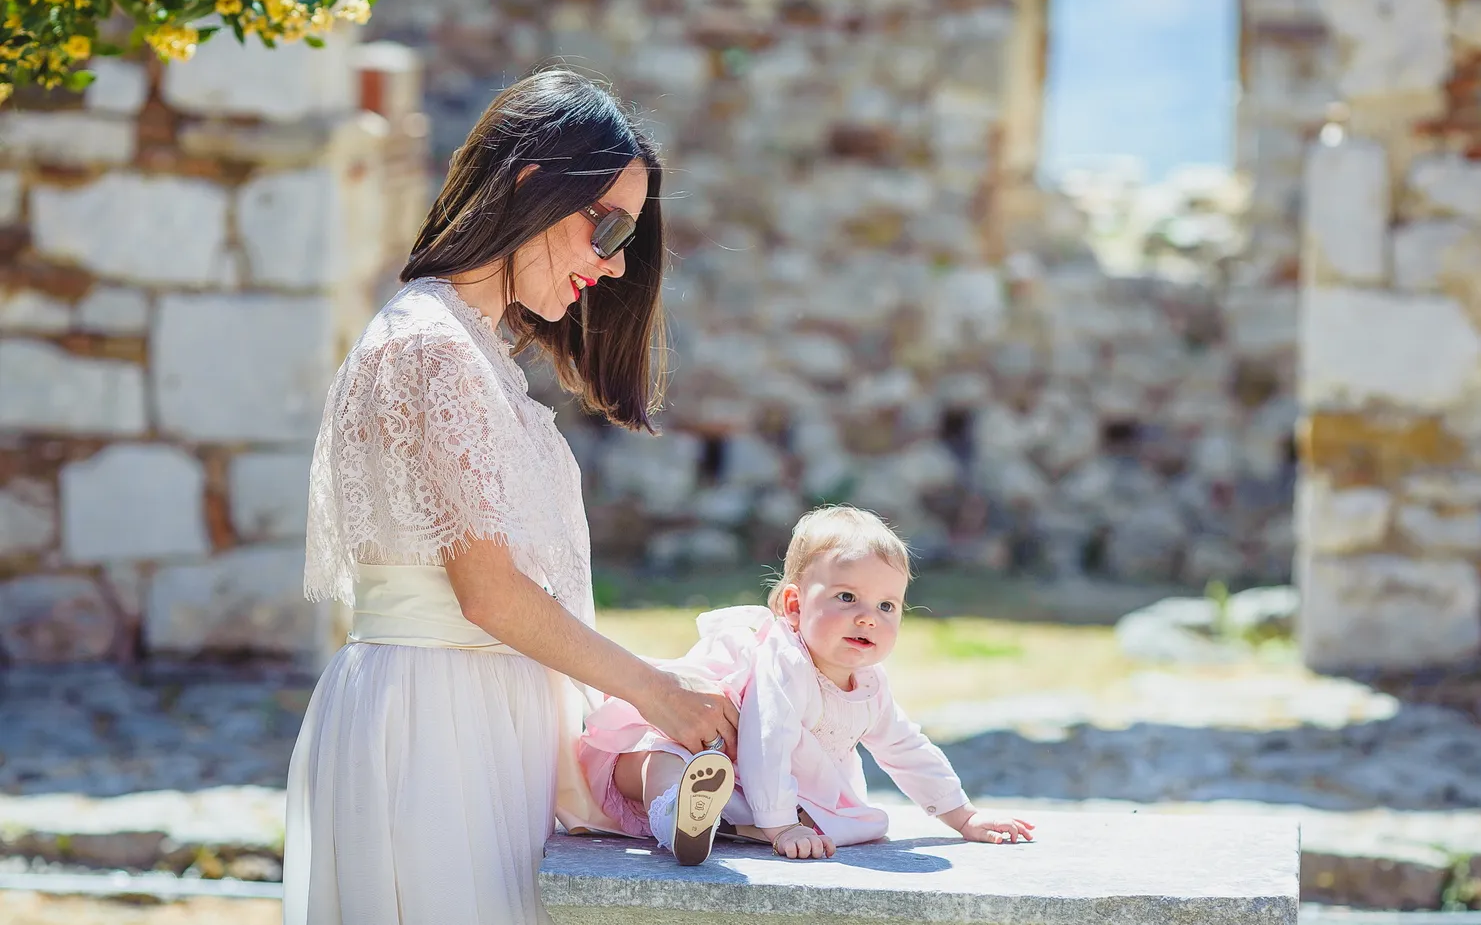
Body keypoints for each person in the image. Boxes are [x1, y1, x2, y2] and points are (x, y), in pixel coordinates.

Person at [282, 68, 740, 925]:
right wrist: (653, 691)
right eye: (608, 226)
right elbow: (489, 593)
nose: (613, 263)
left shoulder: (468, 348)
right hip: (436, 727)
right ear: (532, 184)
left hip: (472, 716)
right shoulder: (430, 347)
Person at [578, 505, 1036, 864]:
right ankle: (676, 816)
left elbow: (904, 747)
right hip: (701, 745)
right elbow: (767, 740)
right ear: (795, 605)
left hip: (750, 786)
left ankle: (716, 817)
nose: (868, 617)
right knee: (664, 761)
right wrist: (782, 826)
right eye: (847, 597)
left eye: (887, 606)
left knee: (798, 810)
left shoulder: (869, 684)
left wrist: (963, 815)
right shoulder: (786, 662)